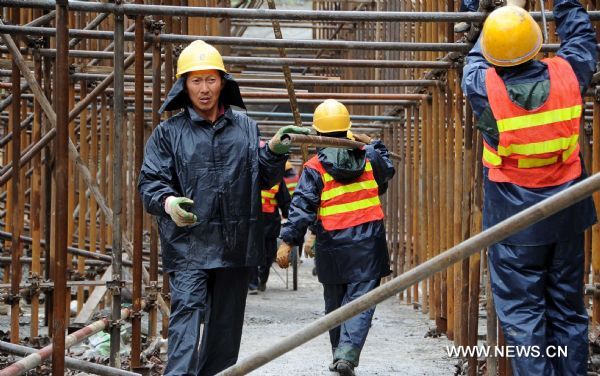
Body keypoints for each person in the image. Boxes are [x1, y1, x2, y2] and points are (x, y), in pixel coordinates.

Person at [137, 40, 309, 376]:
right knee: (186, 316)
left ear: (223, 81)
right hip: (189, 244)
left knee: (225, 332)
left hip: (235, 245)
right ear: (183, 85)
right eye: (196, 81)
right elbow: (149, 184)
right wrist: (170, 203)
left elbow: (260, 178)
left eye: (211, 80)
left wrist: (273, 151)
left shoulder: (245, 127)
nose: (204, 89)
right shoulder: (167, 134)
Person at [462, 1, 597, 374]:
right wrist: (564, 2)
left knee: (524, 318)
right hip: (566, 212)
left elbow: (474, 59)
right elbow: (582, 38)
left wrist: (506, 8)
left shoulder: (482, 85)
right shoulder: (570, 74)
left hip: (513, 220)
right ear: (537, 45)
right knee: (567, 310)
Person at [276, 99, 395, 376]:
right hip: (369, 243)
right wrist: (371, 141)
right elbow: (387, 168)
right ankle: (346, 354)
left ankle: (339, 354)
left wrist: (288, 241)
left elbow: (302, 206)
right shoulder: (368, 156)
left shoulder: (315, 166)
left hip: (332, 243)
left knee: (335, 302)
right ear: (348, 130)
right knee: (362, 301)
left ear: (317, 133)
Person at [249, 170, 291, 294]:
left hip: (269, 222)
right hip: (252, 220)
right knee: (252, 253)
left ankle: (261, 279)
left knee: (268, 254)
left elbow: (284, 200)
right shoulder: (247, 174)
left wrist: (289, 216)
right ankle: (252, 284)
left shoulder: (277, 179)